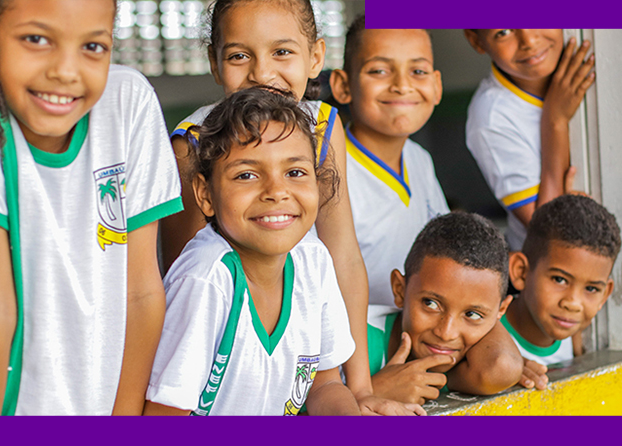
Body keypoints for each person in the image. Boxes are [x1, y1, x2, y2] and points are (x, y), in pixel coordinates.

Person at [0, 0, 181, 414]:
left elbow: (141, 293)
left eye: (93, 47)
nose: (66, 71)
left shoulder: (129, 103)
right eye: (36, 39)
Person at [157, 0, 390, 414]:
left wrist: (360, 389)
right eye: (239, 55)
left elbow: (342, 254)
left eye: (281, 52)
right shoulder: (193, 143)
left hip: (298, 335)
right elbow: (188, 283)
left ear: (315, 56)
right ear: (215, 64)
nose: (262, 74)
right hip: (224, 369)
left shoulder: (322, 127)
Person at [329, 17, 449, 321]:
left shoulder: (419, 159)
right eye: (379, 70)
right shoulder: (328, 168)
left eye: (418, 71)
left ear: (436, 86)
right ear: (343, 86)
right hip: (355, 343)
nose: (402, 85)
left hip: (420, 329)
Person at [365, 212, 522, 405]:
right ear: (400, 290)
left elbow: (502, 367)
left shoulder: (467, 362)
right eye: (431, 304)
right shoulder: (353, 339)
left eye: (472, 314)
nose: (446, 333)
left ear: (501, 311)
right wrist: (373, 393)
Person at [463, 29, 596, 251]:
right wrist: (555, 120)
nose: (529, 41)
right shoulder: (490, 117)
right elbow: (548, 232)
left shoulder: (588, 56)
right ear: (476, 40)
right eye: (503, 31)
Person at [505, 194, 621, 389]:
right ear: (521, 272)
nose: (573, 303)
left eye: (591, 289)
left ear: (605, 294)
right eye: (559, 280)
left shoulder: (573, 337)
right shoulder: (481, 335)